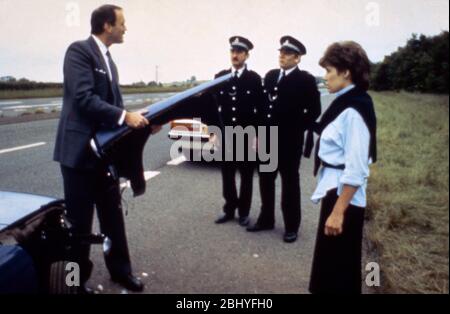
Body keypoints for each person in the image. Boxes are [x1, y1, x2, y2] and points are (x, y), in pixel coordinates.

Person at [53, 4, 156, 292]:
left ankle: (121, 271)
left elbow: (115, 108)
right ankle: (75, 282)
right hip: (78, 155)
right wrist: (125, 116)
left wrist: (142, 122)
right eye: (122, 23)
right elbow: (84, 98)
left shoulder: (110, 62)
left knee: (112, 216)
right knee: (78, 226)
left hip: (104, 155)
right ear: (107, 25)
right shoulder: (79, 51)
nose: (125, 28)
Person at [306, 41, 377, 294]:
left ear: (346, 72)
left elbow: (357, 168)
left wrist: (338, 212)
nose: (325, 77)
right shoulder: (345, 101)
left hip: (343, 197)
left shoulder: (355, 109)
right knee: (329, 269)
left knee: (339, 273)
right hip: (334, 191)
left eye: (329, 70)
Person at [247, 36, 321, 243]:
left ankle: (291, 226)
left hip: (289, 142)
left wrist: (296, 128)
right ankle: (266, 219)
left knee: (290, 184)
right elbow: (262, 108)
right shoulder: (270, 76)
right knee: (266, 181)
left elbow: (314, 111)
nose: (282, 56)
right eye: (280, 52)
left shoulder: (305, 80)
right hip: (268, 140)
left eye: (287, 53)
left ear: (297, 58)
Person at [214, 36, 263, 227]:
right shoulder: (220, 77)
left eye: (239, 52)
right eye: (232, 51)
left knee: (246, 176)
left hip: (247, 135)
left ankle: (244, 211)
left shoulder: (254, 79)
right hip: (226, 135)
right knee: (227, 175)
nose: (235, 55)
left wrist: (258, 136)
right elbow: (212, 106)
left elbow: (261, 110)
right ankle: (229, 209)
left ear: (247, 55)